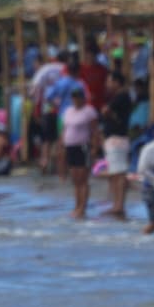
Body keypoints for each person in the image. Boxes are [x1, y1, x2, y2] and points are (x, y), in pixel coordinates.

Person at [61, 88, 99, 219]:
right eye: (74, 97)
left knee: (83, 178)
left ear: (83, 98)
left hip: (83, 147)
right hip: (70, 147)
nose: (76, 100)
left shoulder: (89, 111)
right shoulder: (68, 111)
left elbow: (94, 131)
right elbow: (65, 129)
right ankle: (77, 206)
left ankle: (83, 207)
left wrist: (94, 148)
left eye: (78, 97)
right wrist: (62, 145)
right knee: (75, 179)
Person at [100, 71, 133, 219]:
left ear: (117, 82)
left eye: (110, 81)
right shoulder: (122, 97)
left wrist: (106, 113)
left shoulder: (121, 97)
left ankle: (119, 205)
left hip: (116, 139)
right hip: (117, 138)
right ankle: (117, 205)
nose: (107, 84)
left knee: (118, 174)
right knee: (115, 173)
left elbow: (106, 111)